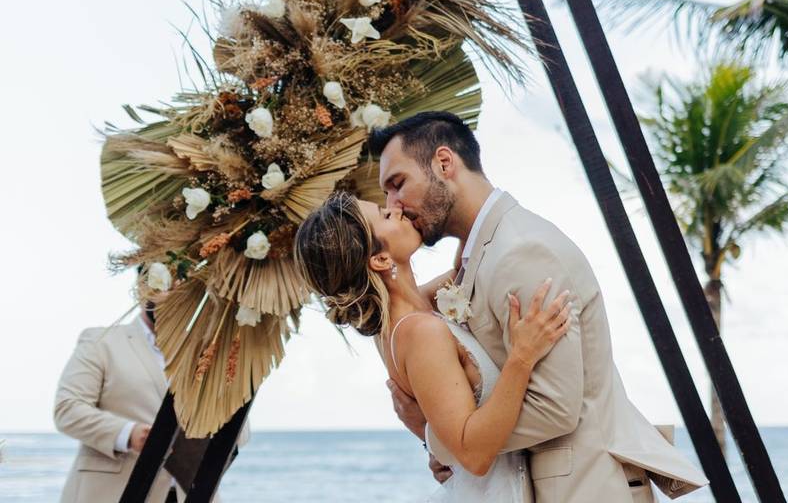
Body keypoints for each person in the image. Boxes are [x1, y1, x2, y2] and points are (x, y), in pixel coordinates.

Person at [366, 111, 709, 502]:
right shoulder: (474, 255)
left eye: (397, 184)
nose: (393, 203)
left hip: (582, 487)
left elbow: (554, 408)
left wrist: (448, 441)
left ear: (444, 163)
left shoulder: (523, 251)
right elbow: (403, 309)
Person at [295, 190, 571, 502]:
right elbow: (474, 455)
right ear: (381, 259)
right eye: (386, 215)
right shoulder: (419, 332)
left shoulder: (408, 314)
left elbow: (467, 266)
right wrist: (522, 357)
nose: (396, 207)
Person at [54, 304, 247, 502]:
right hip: (115, 493)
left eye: (181, 283)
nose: (173, 292)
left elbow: (242, 433)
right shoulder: (101, 341)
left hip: (191, 494)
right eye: (166, 283)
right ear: (142, 285)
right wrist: (129, 433)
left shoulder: (210, 351)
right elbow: (68, 408)